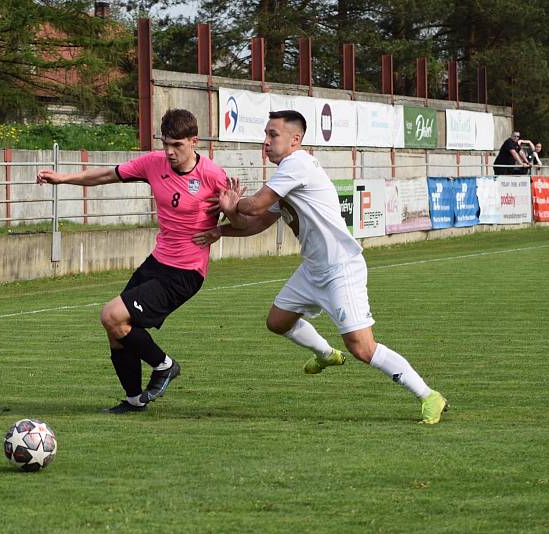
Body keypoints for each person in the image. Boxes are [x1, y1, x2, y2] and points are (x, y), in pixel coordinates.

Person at [192, 110, 448, 424]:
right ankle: (326, 354)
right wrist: (223, 228)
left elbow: (252, 206)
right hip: (314, 268)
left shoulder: (297, 164)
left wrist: (233, 205)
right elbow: (254, 222)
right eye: (266, 135)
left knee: (362, 347)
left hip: (341, 267)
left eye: (273, 135)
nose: (266, 142)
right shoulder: (286, 174)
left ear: (294, 140)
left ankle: (428, 395)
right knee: (277, 321)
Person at [36, 109, 232, 414]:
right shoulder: (154, 164)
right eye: (166, 143)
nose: (170, 152)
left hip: (185, 272)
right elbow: (105, 175)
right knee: (116, 331)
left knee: (111, 315)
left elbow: (246, 215)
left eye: (177, 145)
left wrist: (223, 227)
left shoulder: (213, 176)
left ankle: (165, 366)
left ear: (194, 142)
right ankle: (133, 400)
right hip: (156, 262)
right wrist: (64, 178)